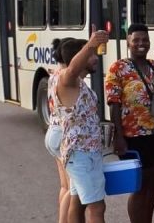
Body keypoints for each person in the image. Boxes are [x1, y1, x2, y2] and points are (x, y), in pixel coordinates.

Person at [105, 24, 154, 223]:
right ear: (128, 42)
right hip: (132, 137)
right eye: (136, 40)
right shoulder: (118, 68)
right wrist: (119, 137)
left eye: (145, 39)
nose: (141, 43)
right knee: (139, 187)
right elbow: (114, 103)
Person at [55, 29, 110, 223]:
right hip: (81, 154)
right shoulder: (67, 80)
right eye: (91, 55)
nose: (96, 58)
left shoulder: (79, 83)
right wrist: (91, 44)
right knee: (97, 207)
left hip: (84, 153)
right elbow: (71, 70)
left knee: (78, 203)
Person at [46, 38, 72, 223]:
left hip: (53, 131)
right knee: (74, 189)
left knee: (65, 186)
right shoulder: (66, 77)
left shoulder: (54, 74)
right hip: (63, 134)